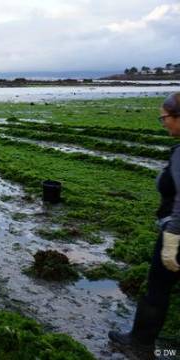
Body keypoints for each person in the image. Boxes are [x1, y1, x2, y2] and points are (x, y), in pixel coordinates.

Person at [109, 92, 180, 357]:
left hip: (176, 233)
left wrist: (172, 239)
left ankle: (140, 345)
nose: (163, 123)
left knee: (157, 290)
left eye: (164, 118)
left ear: (177, 117)